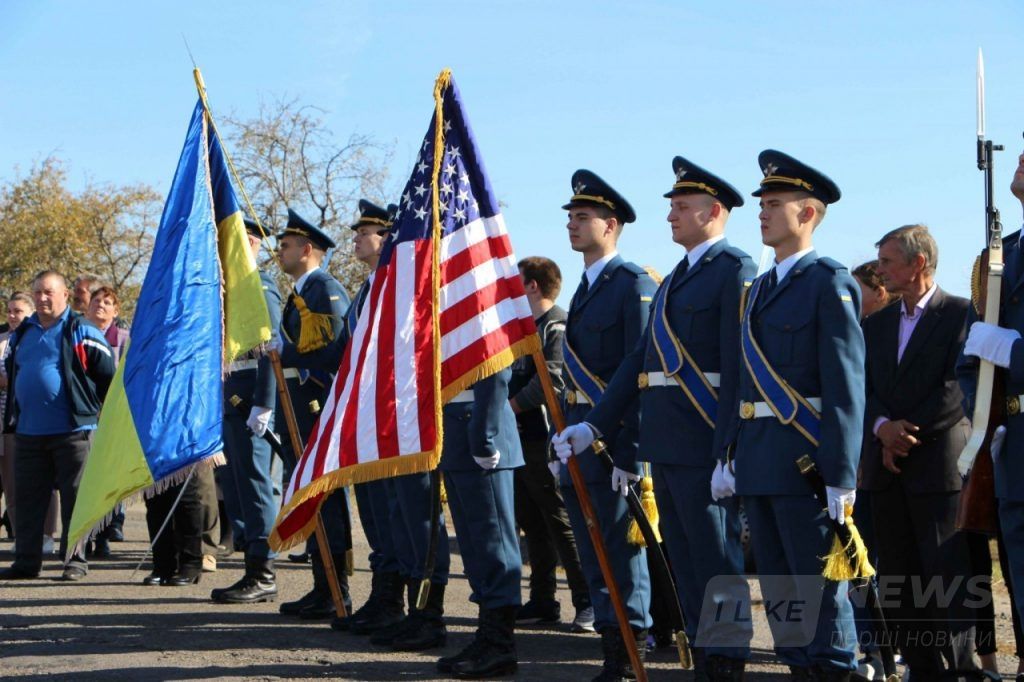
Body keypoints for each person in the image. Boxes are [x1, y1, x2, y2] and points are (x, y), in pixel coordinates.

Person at [564, 157, 755, 679]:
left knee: (718, 565)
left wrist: (729, 449)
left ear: (713, 211)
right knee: (689, 567)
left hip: (704, 441)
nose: (671, 215)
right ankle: (703, 658)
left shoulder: (735, 270)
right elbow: (637, 363)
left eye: (682, 206)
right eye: (671, 207)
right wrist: (594, 425)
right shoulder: (672, 280)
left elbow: (738, 368)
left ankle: (728, 663)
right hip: (667, 444)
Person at [715, 150, 862, 680]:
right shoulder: (758, 291)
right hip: (758, 461)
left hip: (807, 464)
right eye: (761, 203)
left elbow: (847, 389)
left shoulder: (829, 282)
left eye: (774, 203)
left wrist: (842, 475)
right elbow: (742, 385)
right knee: (779, 592)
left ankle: (834, 670)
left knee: (818, 590)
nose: (762, 212)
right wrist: (727, 454)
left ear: (808, 214)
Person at [551, 170, 657, 682]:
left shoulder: (632, 284)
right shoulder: (588, 287)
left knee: (622, 554)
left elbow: (638, 373)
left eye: (583, 217)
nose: (572, 225)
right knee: (596, 553)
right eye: (570, 217)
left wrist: (632, 455)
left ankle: (630, 654)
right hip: (579, 437)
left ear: (610, 224)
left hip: (614, 447)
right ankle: (611, 653)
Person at [862, 225, 977, 678]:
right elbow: (865, 386)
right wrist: (882, 428)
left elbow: (956, 388)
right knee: (898, 577)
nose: (880, 271)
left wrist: (904, 434)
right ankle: (921, 668)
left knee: (946, 577)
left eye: (888, 262)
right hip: (885, 469)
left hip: (936, 467)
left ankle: (959, 669)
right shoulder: (876, 324)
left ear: (918, 264)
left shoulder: (962, 315)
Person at [335, 201, 419, 637]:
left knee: (392, 511)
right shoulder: (366, 289)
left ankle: (396, 600)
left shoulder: (393, 287)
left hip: (388, 417)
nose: (356, 238)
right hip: (364, 417)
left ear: (386, 239)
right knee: (373, 509)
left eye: (365, 231)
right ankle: (383, 594)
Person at [0, 270, 115, 581]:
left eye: (49, 292)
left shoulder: (82, 329)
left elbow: (109, 377)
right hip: (28, 433)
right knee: (27, 501)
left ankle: (75, 561)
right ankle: (26, 561)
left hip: (73, 433)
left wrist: (98, 417)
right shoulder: (23, 332)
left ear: (66, 295)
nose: (42, 298)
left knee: (76, 500)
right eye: (37, 292)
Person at [959, 146, 1024, 682]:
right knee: (1020, 575)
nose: (1021, 158)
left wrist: (1011, 350)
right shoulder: (1001, 256)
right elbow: (971, 357)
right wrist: (985, 420)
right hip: (1013, 443)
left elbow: (995, 344)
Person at [273, 208, 353, 619]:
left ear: (307, 249)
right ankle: (322, 586)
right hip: (299, 405)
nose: (278, 251)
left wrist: (283, 352)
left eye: (284, 245)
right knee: (310, 492)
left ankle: (335, 589)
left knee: (324, 495)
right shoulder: (302, 291)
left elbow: (334, 351)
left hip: (316, 404)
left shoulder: (325, 290)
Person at [510, 256, 593, 632]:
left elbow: (554, 378)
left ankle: (587, 601)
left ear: (532, 286)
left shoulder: (555, 324)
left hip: (545, 440)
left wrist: (509, 405)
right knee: (533, 521)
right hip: (520, 440)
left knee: (561, 522)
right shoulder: (525, 327)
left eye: (518, 279)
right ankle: (542, 600)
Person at [209, 217, 282, 604]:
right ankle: (252, 565)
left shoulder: (261, 286)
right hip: (232, 396)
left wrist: (264, 403)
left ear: (250, 243)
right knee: (237, 487)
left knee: (255, 486)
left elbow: (273, 348)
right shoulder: (232, 289)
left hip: (252, 397)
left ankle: (263, 570)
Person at [435, 370, 524, 678]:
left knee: (495, 548)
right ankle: (487, 637)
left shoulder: (483, 318)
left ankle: (500, 644)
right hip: (457, 433)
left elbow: (496, 371)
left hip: (482, 434)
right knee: (475, 552)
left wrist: (483, 435)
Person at [0, 292, 60, 553]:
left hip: (31, 421)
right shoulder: (3, 340)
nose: (13, 316)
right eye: (10, 311)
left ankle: (47, 535)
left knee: (41, 483)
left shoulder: (35, 337)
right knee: (13, 488)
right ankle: (21, 538)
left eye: (19, 312)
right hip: (5, 425)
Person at [83, 284, 130, 556]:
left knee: (108, 479)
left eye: (107, 302)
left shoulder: (124, 337)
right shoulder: (76, 333)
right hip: (82, 418)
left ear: (116, 310)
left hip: (112, 417)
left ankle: (104, 535)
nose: (100, 305)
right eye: (96, 300)